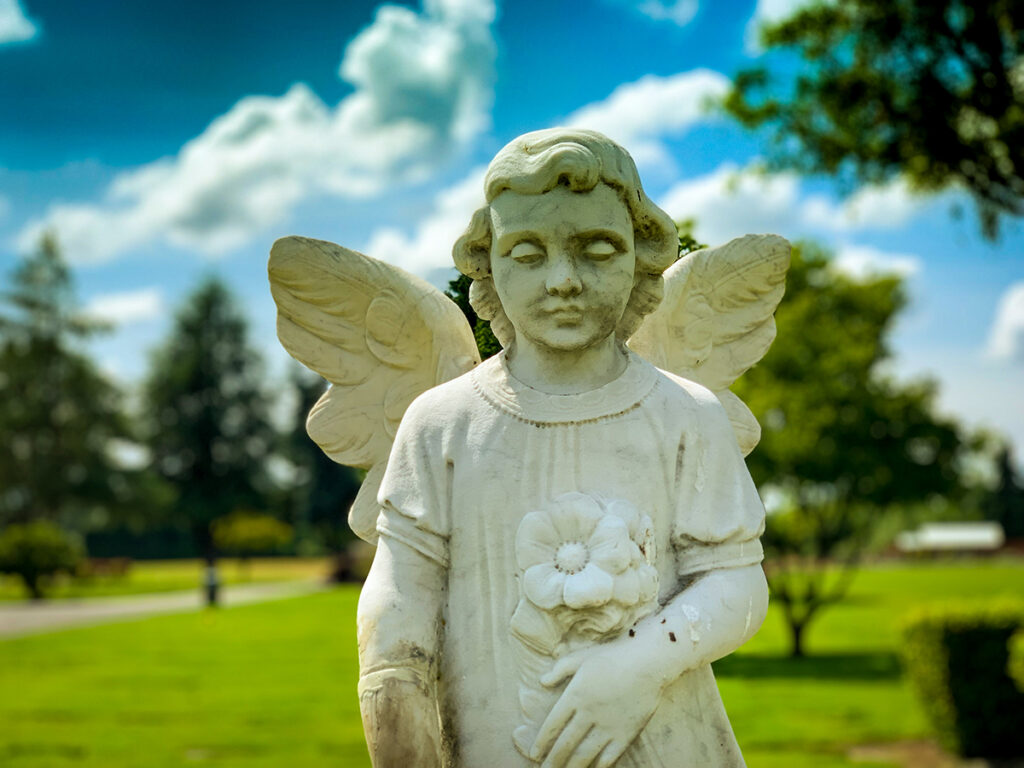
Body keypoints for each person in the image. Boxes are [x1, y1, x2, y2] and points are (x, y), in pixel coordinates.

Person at [356, 128, 769, 768]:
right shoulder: (442, 423)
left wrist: (637, 667)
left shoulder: (685, 414)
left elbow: (736, 581)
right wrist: (391, 680)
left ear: (640, 257)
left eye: (597, 249)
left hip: (665, 741)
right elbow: (404, 583)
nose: (563, 280)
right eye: (527, 252)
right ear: (488, 264)